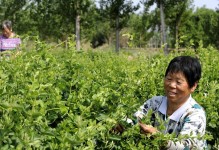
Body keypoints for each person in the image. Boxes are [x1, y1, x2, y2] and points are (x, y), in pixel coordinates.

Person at [114, 56, 206, 150]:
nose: (171, 85)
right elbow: (135, 120)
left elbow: (185, 147)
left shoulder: (195, 114)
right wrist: (122, 124)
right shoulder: (154, 103)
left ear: (193, 86)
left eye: (178, 82)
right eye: (169, 79)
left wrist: (159, 138)